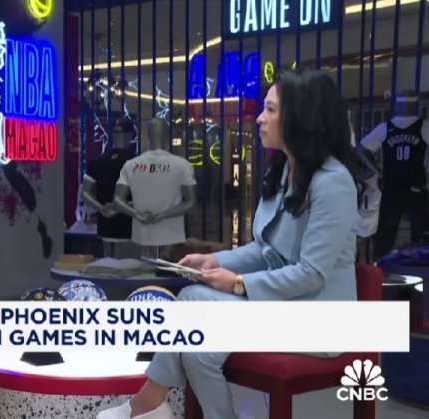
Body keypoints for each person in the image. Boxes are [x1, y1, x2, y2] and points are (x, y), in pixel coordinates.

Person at [98, 68, 363, 419]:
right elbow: (265, 250)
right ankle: (154, 407)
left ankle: (146, 405)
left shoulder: (333, 182)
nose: (259, 118)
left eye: (270, 110)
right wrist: (216, 261)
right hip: (284, 304)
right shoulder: (284, 172)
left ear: (300, 118)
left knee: (192, 302)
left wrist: (237, 283)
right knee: (199, 349)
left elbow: (311, 273)